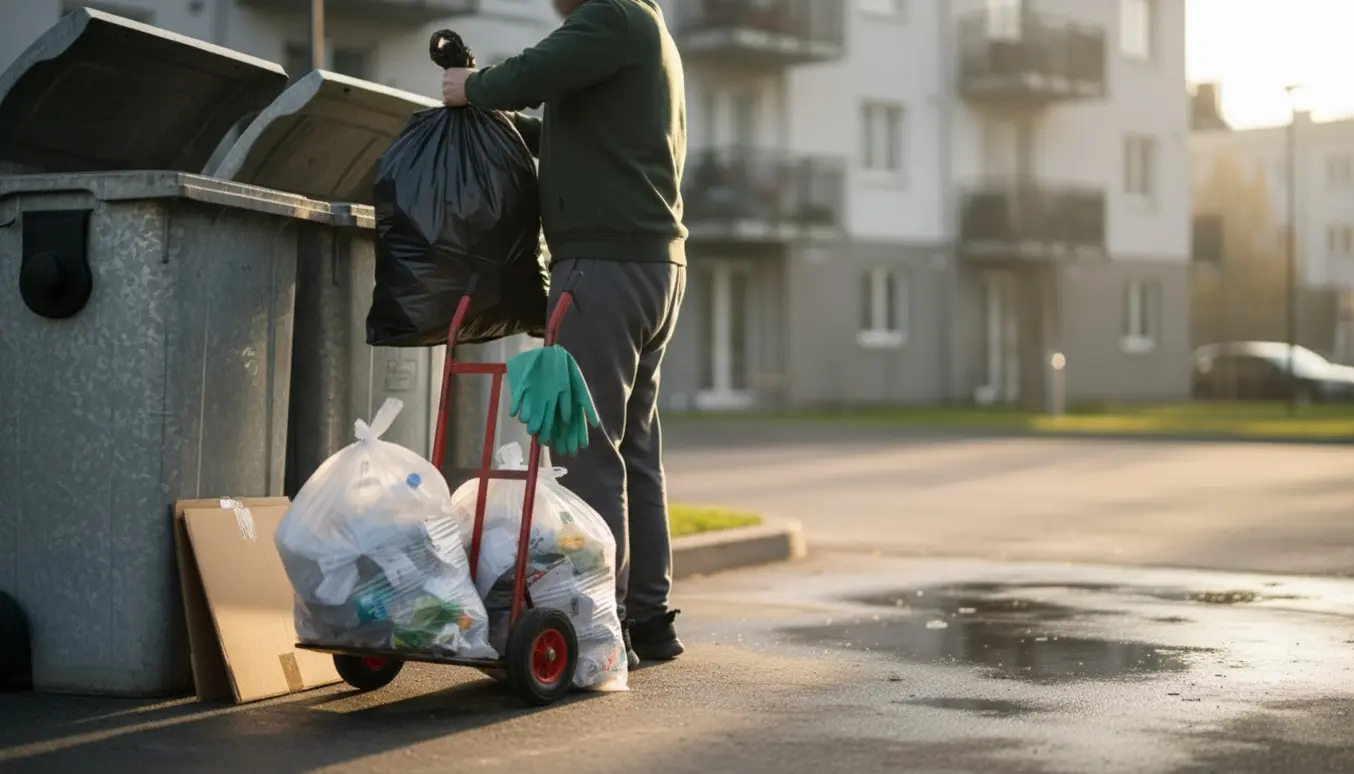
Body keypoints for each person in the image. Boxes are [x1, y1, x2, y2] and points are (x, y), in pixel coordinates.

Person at [441, 0, 688, 669]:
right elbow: (575, 132)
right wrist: (507, 124)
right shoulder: (647, 28)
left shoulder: (610, 16)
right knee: (634, 447)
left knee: (585, 446)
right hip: (653, 264)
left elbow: (531, 72)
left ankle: (596, 625)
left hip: (602, 267)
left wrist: (472, 87)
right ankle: (649, 618)